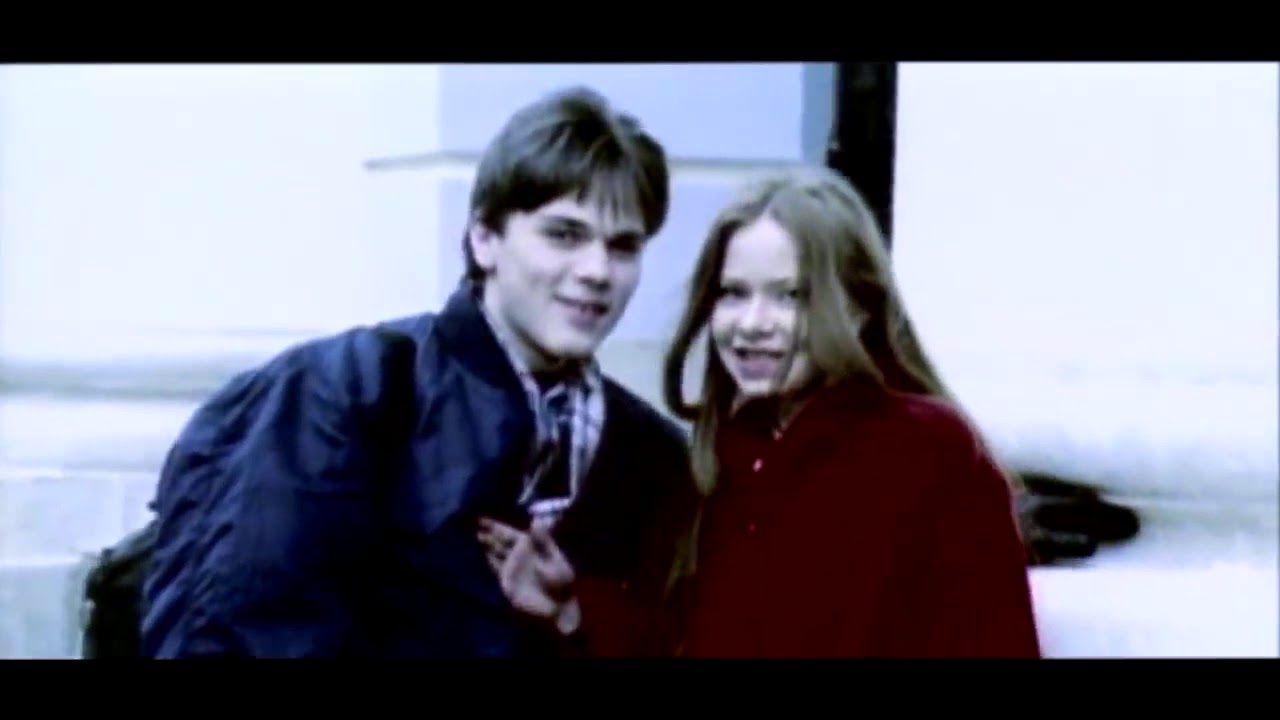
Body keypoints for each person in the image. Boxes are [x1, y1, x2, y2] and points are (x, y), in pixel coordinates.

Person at [140, 85, 698, 657]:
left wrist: (574, 621)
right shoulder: (351, 390)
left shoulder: (652, 455)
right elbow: (244, 625)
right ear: (484, 239)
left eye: (623, 247)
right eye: (563, 235)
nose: (597, 271)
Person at [660, 166, 1042, 658]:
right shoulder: (721, 465)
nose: (752, 323)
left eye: (791, 296)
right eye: (734, 293)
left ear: (859, 308)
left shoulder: (928, 452)